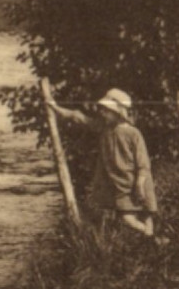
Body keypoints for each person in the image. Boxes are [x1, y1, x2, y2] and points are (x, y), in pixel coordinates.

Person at [47, 87, 158, 236]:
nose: (102, 113)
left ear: (117, 113)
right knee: (126, 217)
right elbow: (79, 117)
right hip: (120, 181)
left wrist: (139, 182)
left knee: (145, 214)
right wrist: (55, 107)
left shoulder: (133, 133)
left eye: (106, 110)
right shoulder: (104, 128)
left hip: (137, 180)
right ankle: (150, 237)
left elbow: (143, 162)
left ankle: (151, 239)